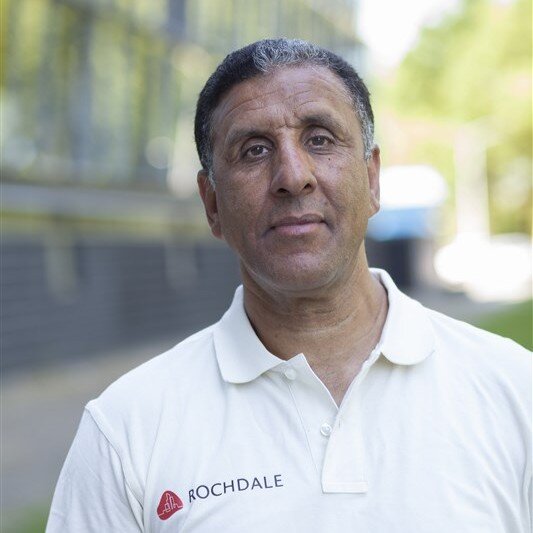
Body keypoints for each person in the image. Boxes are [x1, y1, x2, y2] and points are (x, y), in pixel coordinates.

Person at [47, 38, 531, 532]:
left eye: (319, 139)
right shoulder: (126, 430)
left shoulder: (516, 391)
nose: (293, 176)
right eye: (254, 150)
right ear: (212, 204)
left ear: (372, 179)